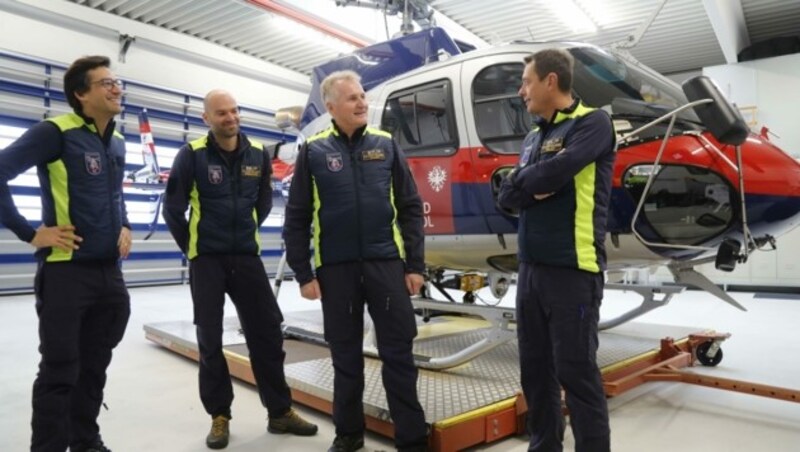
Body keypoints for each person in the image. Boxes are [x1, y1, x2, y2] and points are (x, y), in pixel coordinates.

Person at [162, 89, 318, 449]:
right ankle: (220, 416)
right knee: (211, 339)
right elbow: (173, 209)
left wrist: (245, 229)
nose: (230, 118)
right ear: (207, 119)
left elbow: (263, 201)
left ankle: (279, 412)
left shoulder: (257, 154)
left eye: (234, 111)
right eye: (221, 113)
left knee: (267, 334)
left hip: (246, 257)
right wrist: (194, 248)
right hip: (208, 261)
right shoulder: (192, 155)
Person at [283, 70, 428, 452]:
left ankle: (412, 439)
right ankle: (348, 435)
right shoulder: (313, 151)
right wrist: (303, 273)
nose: (362, 103)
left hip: (385, 265)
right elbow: (296, 217)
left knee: (399, 353)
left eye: (362, 96)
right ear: (331, 107)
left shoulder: (386, 144)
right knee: (345, 357)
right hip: (336, 270)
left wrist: (414, 266)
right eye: (352, 98)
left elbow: (411, 208)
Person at [0, 55, 132, 452]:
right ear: (81, 94)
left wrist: (124, 224)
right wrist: (30, 233)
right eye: (106, 83)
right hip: (66, 273)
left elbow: (114, 193)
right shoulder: (54, 132)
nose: (116, 88)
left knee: (94, 368)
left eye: (117, 82)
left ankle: (85, 440)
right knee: (60, 370)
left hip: (109, 274)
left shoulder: (119, 142)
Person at [498, 49, 616, 452]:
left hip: (573, 271)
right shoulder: (534, 137)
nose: (521, 90)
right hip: (530, 272)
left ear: (551, 81)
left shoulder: (593, 123)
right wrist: (530, 185)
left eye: (527, 81)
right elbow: (507, 196)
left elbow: (555, 173)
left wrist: (528, 183)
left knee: (577, 373)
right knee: (535, 373)